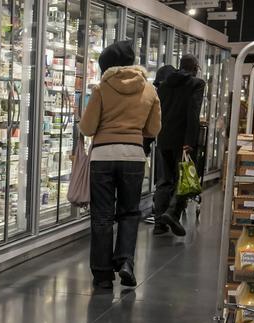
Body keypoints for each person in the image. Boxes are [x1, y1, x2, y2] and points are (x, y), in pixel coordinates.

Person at [78, 40, 161, 289]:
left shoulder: (101, 89)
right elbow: (153, 129)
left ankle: (102, 275)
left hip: (103, 156)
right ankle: (125, 261)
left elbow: (87, 127)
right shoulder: (149, 90)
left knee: (102, 216)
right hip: (133, 156)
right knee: (129, 212)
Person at [153, 55, 205, 236]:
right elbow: (193, 112)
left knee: (164, 180)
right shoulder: (197, 84)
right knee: (185, 179)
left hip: (164, 138)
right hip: (183, 140)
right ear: (195, 67)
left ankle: (159, 224)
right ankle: (173, 213)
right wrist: (190, 141)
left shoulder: (164, 85)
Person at [143, 64, 177, 225]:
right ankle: (169, 214)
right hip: (178, 145)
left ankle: (160, 218)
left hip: (162, 144)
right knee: (173, 180)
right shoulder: (180, 94)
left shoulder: (156, 97)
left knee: (163, 180)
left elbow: (151, 123)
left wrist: (145, 145)